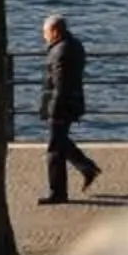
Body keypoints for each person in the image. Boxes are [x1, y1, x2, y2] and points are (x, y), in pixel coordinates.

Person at [37, 12, 99, 203]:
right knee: (61, 140)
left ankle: (58, 192)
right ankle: (87, 167)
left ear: (54, 31)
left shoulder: (60, 51)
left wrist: (53, 109)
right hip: (72, 101)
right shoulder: (74, 45)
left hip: (61, 105)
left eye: (45, 32)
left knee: (54, 148)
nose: (43, 36)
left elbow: (60, 84)